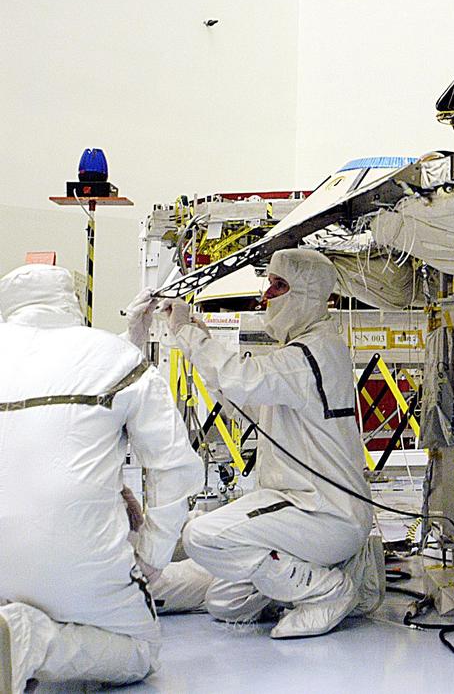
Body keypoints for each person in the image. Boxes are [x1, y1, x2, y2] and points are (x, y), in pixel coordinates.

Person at [0, 265, 203, 690]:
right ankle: (29, 640)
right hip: (76, 557)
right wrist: (152, 554)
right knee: (138, 650)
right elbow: (173, 465)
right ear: (70, 299)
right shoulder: (117, 358)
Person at [160, 248, 381, 639]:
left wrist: (189, 336)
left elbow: (245, 378)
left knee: (204, 536)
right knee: (226, 604)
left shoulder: (313, 352)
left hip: (324, 512)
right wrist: (204, 341)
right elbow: (243, 397)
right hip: (301, 507)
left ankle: (329, 589)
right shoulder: (299, 352)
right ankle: (311, 579)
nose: (266, 296)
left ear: (309, 293)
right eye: (269, 285)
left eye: (279, 286)